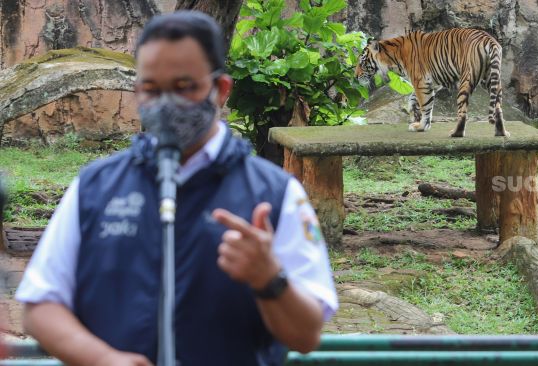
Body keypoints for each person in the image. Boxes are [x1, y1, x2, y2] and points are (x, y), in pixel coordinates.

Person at [15, 11, 338, 366]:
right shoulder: (95, 186)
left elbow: (306, 336)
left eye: (184, 87)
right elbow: (40, 305)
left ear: (220, 90)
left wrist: (270, 279)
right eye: (152, 89)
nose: (167, 103)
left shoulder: (275, 193)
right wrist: (104, 359)